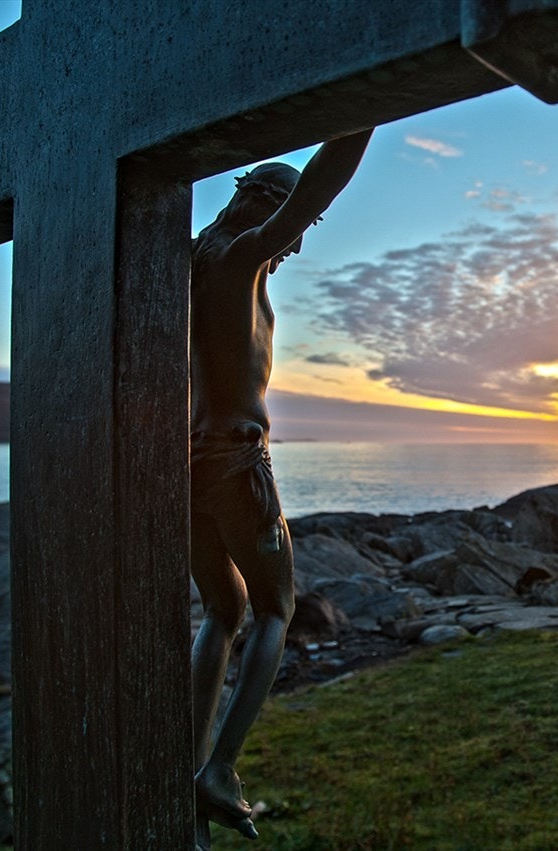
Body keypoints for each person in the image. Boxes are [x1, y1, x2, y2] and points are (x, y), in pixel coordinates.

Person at [188, 129, 372, 846]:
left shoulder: (192, 267)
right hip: (237, 458)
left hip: (188, 460)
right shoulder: (237, 259)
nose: (294, 243)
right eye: (292, 224)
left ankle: (188, 770)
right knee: (276, 607)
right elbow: (318, 186)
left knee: (221, 605)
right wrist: (368, 106)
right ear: (260, 205)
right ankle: (221, 768)